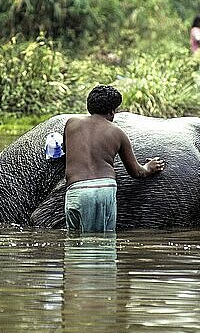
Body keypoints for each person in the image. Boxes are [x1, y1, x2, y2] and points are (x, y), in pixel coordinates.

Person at [63, 85, 165, 232]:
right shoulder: (118, 133)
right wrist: (149, 167)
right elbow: (136, 172)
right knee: (102, 242)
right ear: (112, 112)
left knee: (73, 240)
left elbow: (66, 150)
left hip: (76, 189)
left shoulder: (71, 123)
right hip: (104, 190)